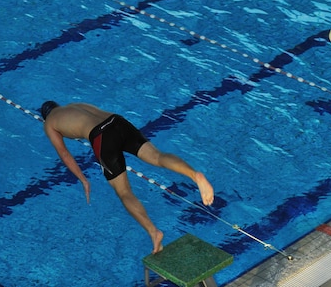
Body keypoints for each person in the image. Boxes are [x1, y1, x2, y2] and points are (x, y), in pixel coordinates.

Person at [39, 101, 214, 254]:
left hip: (101, 135)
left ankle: (154, 232)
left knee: (123, 192)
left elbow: (65, 154)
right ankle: (194, 175)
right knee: (157, 157)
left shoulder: (50, 123)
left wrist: (83, 180)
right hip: (118, 122)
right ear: (57, 105)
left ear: (46, 115)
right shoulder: (75, 105)